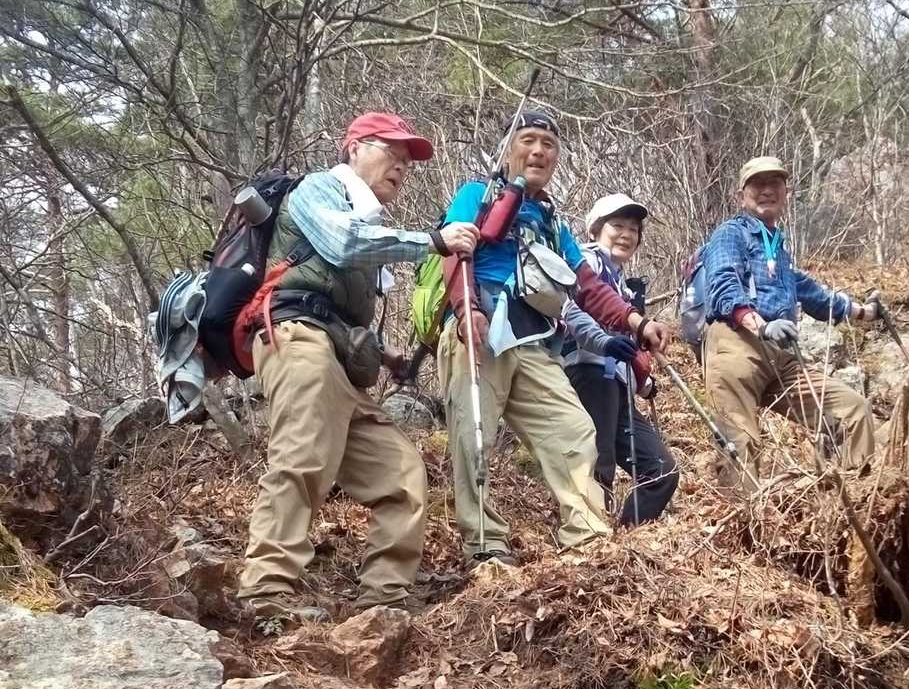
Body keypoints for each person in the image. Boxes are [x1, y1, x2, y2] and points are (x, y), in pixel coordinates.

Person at [236, 112, 479, 625]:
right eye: (391, 152)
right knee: (301, 459)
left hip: (339, 361)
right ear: (353, 149)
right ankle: (265, 594)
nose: (402, 166)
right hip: (297, 340)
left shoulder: (367, 219)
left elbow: (340, 305)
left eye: (407, 160)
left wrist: (387, 355)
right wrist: (434, 241)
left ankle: (383, 600)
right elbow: (343, 244)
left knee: (402, 475)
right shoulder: (318, 189)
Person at [437, 110, 670, 566]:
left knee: (575, 430)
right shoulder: (476, 195)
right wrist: (467, 310)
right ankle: (486, 545)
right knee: (474, 435)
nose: (539, 151)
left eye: (548, 144)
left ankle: (588, 539)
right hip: (479, 332)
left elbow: (587, 285)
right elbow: (456, 251)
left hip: (532, 339)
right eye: (528, 139)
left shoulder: (551, 221)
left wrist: (636, 322)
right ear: (508, 149)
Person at [699, 155, 879, 482]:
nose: (767, 190)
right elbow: (723, 283)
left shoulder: (778, 250)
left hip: (781, 356)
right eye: (757, 184)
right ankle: (743, 513)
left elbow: (815, 296)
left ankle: (858, 499)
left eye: (775, 184)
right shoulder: (731, 233)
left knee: (853, 410)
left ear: (786, 194)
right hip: (737, 345)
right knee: (741, 444)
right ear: (741, 195)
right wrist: (761, 325)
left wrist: (866, 312)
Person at [562, 193, 678, 526]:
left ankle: (626, 538)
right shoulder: (588, 260)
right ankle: (592, 537)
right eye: (617, 226)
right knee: (599, 464)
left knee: (661, 470)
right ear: (595, 230)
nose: (626, 234)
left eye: (633, 229)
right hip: (588, 371)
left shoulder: (620, 283)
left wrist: (642, 380)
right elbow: (576, 306)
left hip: (617, 382)